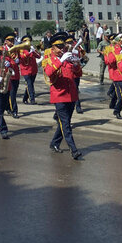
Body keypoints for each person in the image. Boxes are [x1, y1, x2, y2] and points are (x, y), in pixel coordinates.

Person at [45, 31, 83, 160]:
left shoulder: (68, 58)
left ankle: (55, 143)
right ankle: (74, 149)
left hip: (71, 95)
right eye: (59, 47)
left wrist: (77, 64)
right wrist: (60, 61)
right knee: (66, 124)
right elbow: (49, 72)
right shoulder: (49, 59)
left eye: (63, 46)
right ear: (53, 48)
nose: (62, 49)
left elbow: (78, 74)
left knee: (64, 122)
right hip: (59, 95)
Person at [103, 33, 122, 120]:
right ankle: (117, 110)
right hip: (117, 75)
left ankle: (116, 106)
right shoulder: (110, 49)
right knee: (121, 96)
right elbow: (109, 61)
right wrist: (119, 54)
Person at [2, 33, 21, 118]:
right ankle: (14, 110)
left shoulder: (16, 49)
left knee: (13, 93)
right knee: (9, 93)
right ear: (6, 41)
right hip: (6, 74)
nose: (12, 42)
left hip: (15, 74)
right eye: (10, 40)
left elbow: (20, 59)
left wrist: (18, 60)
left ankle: (8, 108)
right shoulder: (2, 49)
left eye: (13, 40)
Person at [20, 35, 41, 105]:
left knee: (30, 84)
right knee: (30, 84)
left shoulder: (31, 49)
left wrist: (35, 50)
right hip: (26, 70)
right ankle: (32, 99)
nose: (28, 43)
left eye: (29, 41)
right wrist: (29, 53)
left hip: (33, 69)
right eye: (25, 41)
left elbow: (38, 56)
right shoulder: (20, 49)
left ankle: (25, 98)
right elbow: (22, 57)